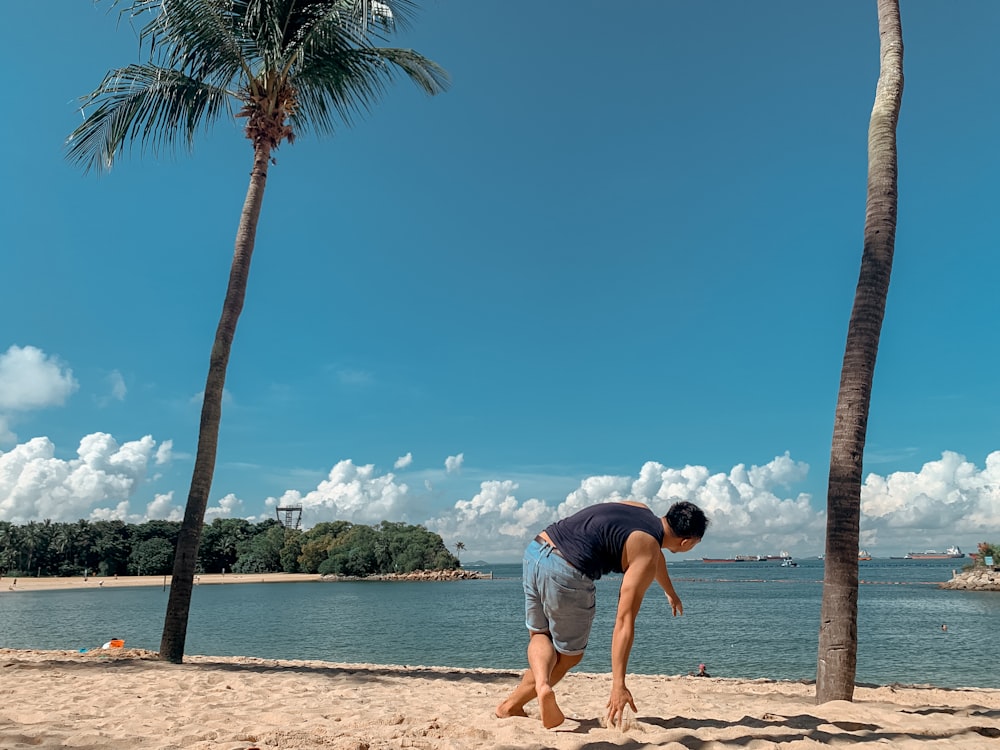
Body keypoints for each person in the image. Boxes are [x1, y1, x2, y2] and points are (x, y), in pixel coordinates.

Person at [496, 500, 709, 729]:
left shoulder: (640, 508)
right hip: (567, 570)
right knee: (569, 656)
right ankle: (532, 693)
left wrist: (670, 591)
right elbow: (624, 621)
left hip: (537, 550)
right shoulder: (647, 552)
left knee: (540, 633)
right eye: (695, 544)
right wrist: (619, 684)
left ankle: (520, 700)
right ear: (686, 542)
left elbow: (656, 555)